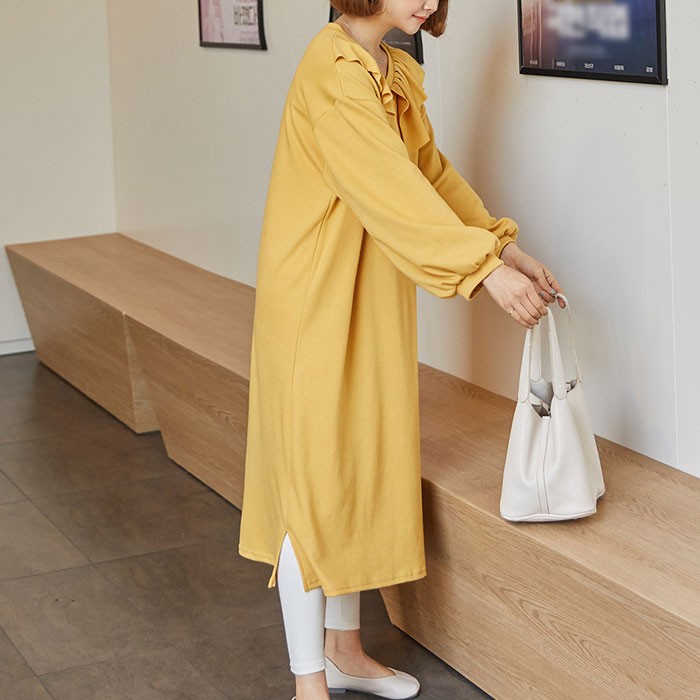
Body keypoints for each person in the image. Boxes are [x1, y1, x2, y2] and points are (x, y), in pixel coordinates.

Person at [237, 2, 565, 699]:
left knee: (354, 465)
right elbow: (390, 192)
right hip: (316, 300)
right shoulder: (333, 70)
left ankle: (344, 652)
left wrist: (503, 246)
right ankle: (308, 686)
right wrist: (482, 271)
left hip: (368, 292)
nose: (429, 0)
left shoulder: (390, 67)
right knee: (310, 484)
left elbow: (428, 175)